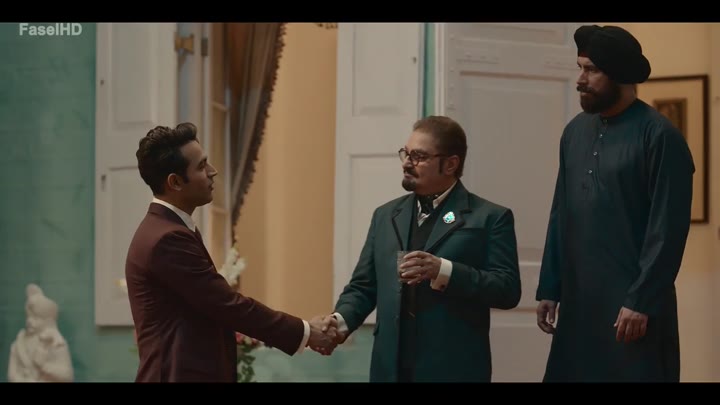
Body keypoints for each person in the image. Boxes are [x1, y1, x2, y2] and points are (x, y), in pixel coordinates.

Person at [535, 25, 695, 382]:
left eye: (591, 70)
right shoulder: (575, 132)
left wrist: (640, 301)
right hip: (579, 306)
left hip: (632, 313)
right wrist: (550, 286)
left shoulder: (660, 136)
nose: (580, 79)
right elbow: (561, 213)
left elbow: (667, 230)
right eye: (580, 68)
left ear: (619, 74)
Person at [125, 123, 337, 382]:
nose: (212, 172)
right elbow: (227, 305)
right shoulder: (167, 238)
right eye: (201, 166)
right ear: (175, 182)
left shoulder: (169, 229)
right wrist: (306, 332)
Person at [319, 116, 522, 382]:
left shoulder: (489, 217)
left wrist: (443, 271)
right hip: (389, 369)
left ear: (450, 164)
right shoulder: (386, 215)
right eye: (406, 153)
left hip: (453, 369)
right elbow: (364, 286)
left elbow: (507, 290)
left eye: (419, 157)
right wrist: (339, 322)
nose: (406, 163)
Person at [8, 284, 74, 382]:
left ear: (48, 321)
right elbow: (12, 375)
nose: (29, 321)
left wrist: (44, 366)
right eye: (28, 316)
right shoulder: (18, 344)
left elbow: (67, 376)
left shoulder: (57, 344)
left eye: (36, 318)